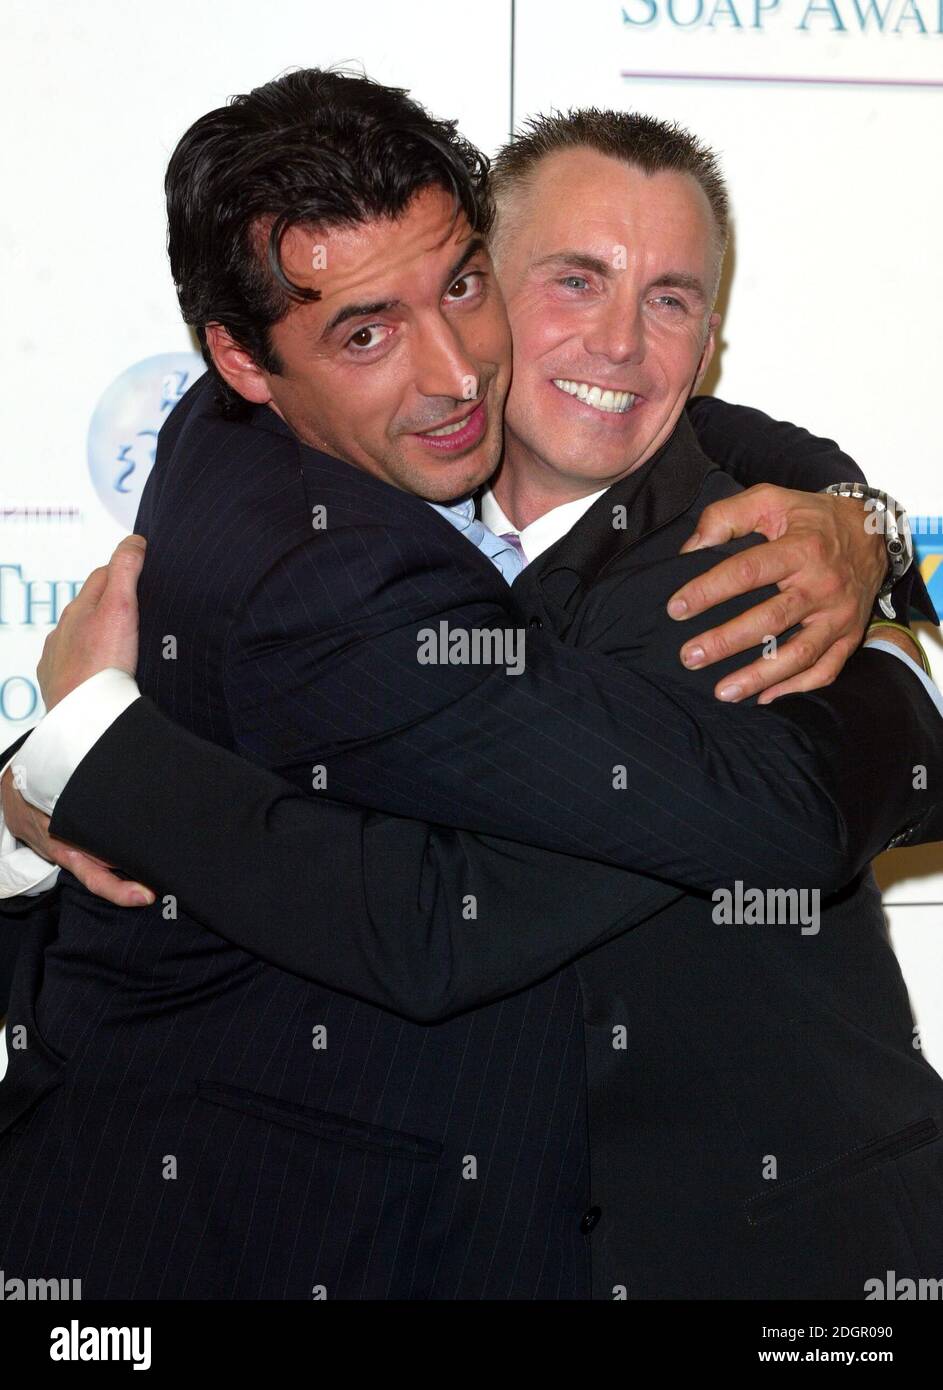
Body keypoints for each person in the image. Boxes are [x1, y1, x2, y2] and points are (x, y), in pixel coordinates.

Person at [1, 71, 941, 1300]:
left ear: (707, 342)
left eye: (669, 298)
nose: (616, 342)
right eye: (573, 280)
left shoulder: (755, 580)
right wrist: (42, 782)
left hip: (772, 1255)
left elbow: (436, 918)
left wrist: (873, 555)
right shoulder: (286, 501)